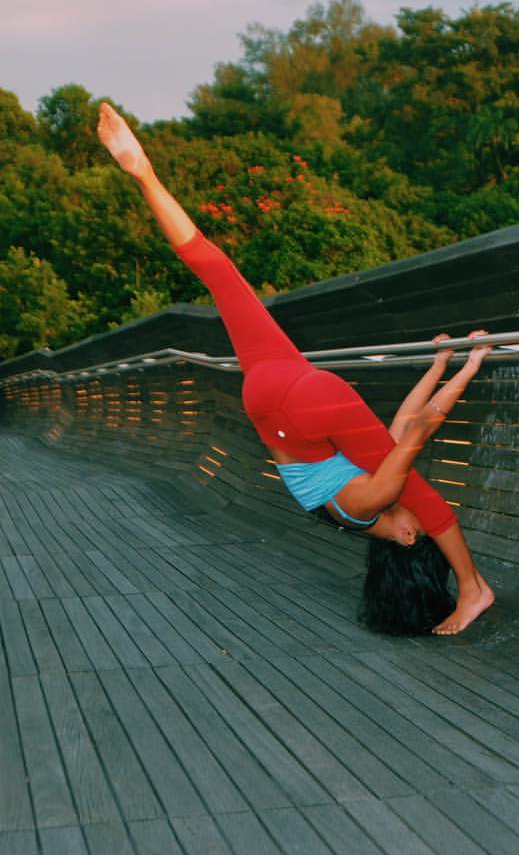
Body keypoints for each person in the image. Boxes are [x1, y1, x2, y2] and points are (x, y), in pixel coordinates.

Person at [96, 102, 495, 635]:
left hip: (303, 399)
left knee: (425, 493)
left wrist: (471, 364)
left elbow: (416, 433)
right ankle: (140, 171)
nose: (416, 524)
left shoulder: (367, 503)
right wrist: (449, 361)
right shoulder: (346, 510)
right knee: (219, 274)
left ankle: (474, 588)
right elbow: (400, 426)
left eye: (417, 531)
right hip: (268, 393)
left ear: (405, 538)